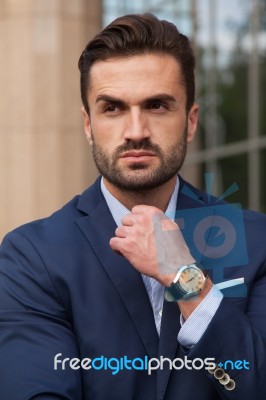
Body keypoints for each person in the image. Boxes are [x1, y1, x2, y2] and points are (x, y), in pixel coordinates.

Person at [0, 13, 266, 400]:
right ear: (88, 125)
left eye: (157, 105)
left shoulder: (258, 242)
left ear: (191, 122)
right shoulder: (31, 256)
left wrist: (186, 280)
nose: (136, 130)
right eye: (113, 108)